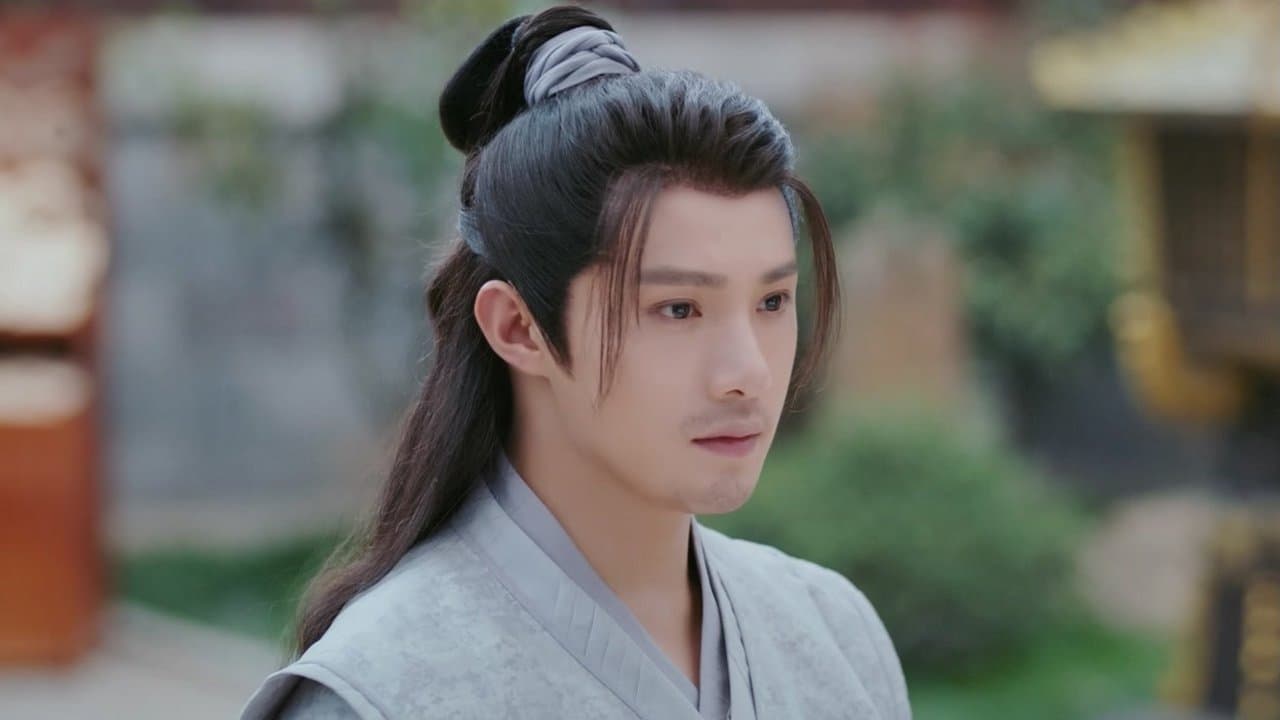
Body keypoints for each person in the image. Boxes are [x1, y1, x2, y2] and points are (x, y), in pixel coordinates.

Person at [239, 5, 910, 719]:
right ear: (519, 328)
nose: (747, 373)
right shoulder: (380, 691)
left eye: (772, 301)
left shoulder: (834, 635)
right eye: (678, 309)